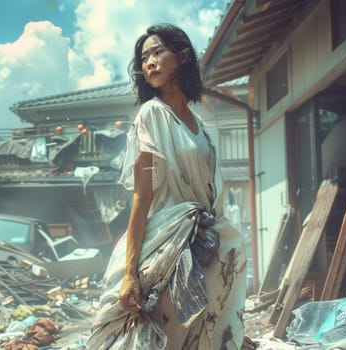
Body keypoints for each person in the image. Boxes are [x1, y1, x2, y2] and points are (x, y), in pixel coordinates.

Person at [87, 23, 248, 349]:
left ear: (183, 56)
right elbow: (141, 197)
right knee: (167, 335)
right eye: (144, 57)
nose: (149, 62)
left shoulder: (199, 124)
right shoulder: (151, 115)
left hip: (204, 243)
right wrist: (130, 273)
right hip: (167, 248)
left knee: (205, 333)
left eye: (158, 51)